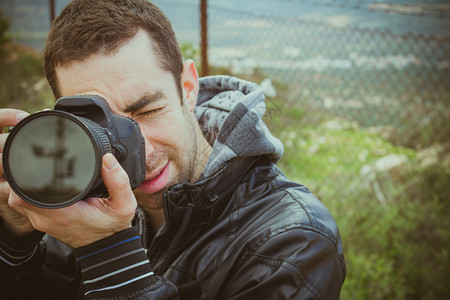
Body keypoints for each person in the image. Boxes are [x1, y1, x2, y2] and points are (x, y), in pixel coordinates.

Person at [0, 0, 346, 299]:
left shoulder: (291, 244)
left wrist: (110, 255)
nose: (142, 152)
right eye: (101, 127)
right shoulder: (76, 198)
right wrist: (13, 242)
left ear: (188, 86)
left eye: (148, 111)